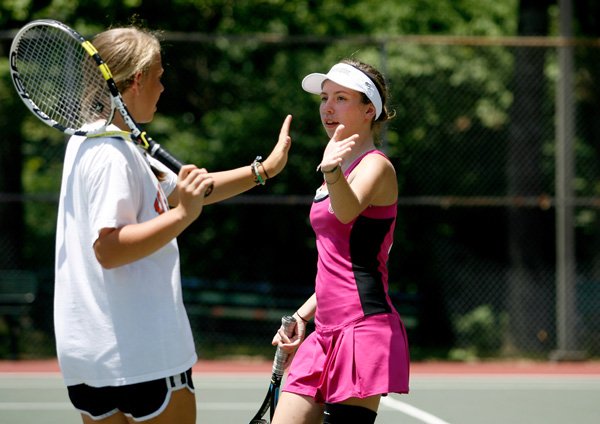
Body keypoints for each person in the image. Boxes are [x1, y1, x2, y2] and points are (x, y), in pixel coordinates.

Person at [54, 26, 292, 424]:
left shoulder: (88, 144)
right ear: (137, 79)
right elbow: (109, 250)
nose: (163, 87)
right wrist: (182, 217)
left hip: (90, 358)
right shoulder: (113, 154)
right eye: (159, 76)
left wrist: (263, 170)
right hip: (142, 352)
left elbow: (191, 190)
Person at [271, 59, 409, 424]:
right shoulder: (334, 172)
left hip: (363, 330)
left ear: (369, 111)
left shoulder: (377, 166)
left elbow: (346, 211)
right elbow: (339, 263)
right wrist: (301, 316)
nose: (328, 108)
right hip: (323, 332)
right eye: (325, 98)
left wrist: (331, 169)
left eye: (341, 98)